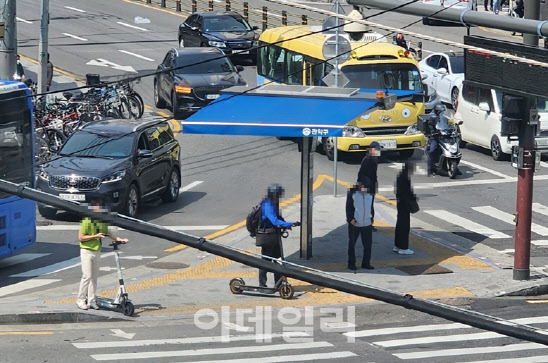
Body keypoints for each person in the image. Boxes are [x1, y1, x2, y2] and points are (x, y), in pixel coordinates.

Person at [77, 198, 129, 310]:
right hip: (86, 250)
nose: (100, 210)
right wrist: (95, 236)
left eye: (101, 208)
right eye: (98, 208)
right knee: (87, 276)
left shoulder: (101, 221)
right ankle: (80, 300)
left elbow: (108, 234)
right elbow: (81, 238)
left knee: (94, 277)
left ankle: (91, 300)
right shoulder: (86, 221)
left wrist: (120, 239)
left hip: (97, 250)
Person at [256, 184, 300, 287]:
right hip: (267, 236)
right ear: (274, 195)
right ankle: (262, 285)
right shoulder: (267, 205)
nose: (280, 197)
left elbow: (279, 217)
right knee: (265, 262)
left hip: (274, 235)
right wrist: (289, 224)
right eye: (279, 195)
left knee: (278, 260)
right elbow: (274, 221)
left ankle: (279, 283)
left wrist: (288, 224)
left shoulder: (274, 203)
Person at [346, 182, 374, 271]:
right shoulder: (353, 193)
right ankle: (351, 263)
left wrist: (371, 218)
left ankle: (366, 263)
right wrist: (350, 219)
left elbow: (371, 207)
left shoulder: (370, 194)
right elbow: (348, 207)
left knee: (368, 245)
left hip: (367, 223)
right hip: (355, 224)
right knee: (352, 244)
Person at [394, 160, 416, 255]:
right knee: (404, 226)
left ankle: (397, 245)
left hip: (400, 203)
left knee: (399, 224)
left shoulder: (401, 175)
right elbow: (406, 192)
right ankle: (403, 247)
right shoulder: (404, 177)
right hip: (404, 204)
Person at [357, 141, 381, 229]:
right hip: (366, 185)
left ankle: (368, 223)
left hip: (371, 185)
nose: (378, 150)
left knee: (369, 205)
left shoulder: (374, 158)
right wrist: (360, 184)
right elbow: (361, 173)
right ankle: (367, 224)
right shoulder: (368, 159)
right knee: (367, 205)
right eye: (376, 148)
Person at [426, 104, 446, 177]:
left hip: (444, 136)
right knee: (432, 151)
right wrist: (433, 132)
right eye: (440, 111)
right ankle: (430, 168)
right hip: (435, 137)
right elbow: (430, 126)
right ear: (437, 111)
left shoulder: (444, 117)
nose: (441, 113)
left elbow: (448, 125)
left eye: (442, 111)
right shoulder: (432, 117)